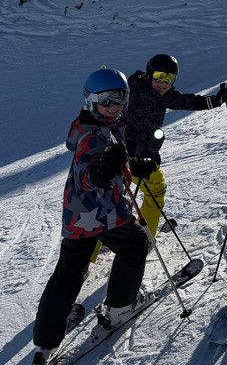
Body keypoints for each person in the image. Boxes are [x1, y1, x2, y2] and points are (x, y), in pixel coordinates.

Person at [30, 68, 152, 365]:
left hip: (77, 213)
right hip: (104, 211)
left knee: (70, 270)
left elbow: (113, 159)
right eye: (105, 99)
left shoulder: (98, 124)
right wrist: (101, 172)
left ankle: (46, 340)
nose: (113, 105)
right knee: (136, 246)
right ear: (90, 101)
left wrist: (132, 167)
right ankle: (120, 307)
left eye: (119, 98)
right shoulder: (91, 135)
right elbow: (89, 171)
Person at [124, 54, 227, 237]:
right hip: (128, 158)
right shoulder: (133, 93)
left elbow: (187, 101)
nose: (163, 83)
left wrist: (216, 101)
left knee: (125, 197)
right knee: (134, 195)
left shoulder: (161, 95)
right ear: (150, 74)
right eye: (160, 76)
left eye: (169, 78)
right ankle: (143, 238)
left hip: (146, 157)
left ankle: (137, 235)